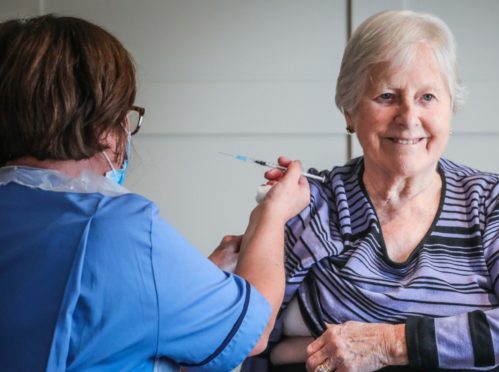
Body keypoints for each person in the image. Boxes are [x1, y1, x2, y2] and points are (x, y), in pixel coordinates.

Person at [241, 10, 499, 372]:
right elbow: (250, 338)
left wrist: (389, 344)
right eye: (386, 96)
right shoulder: (315, 202)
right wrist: (269, 219)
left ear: (451, 107)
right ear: (349, 111)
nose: (408, 117)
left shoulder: (488, 200)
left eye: (427, 97)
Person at [0, 15, 310, 371]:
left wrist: (195, 282)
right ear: (101, 125)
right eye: (125, 115)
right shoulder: (113, 226)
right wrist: (272, 214)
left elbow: (100, 317)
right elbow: (253, 333)